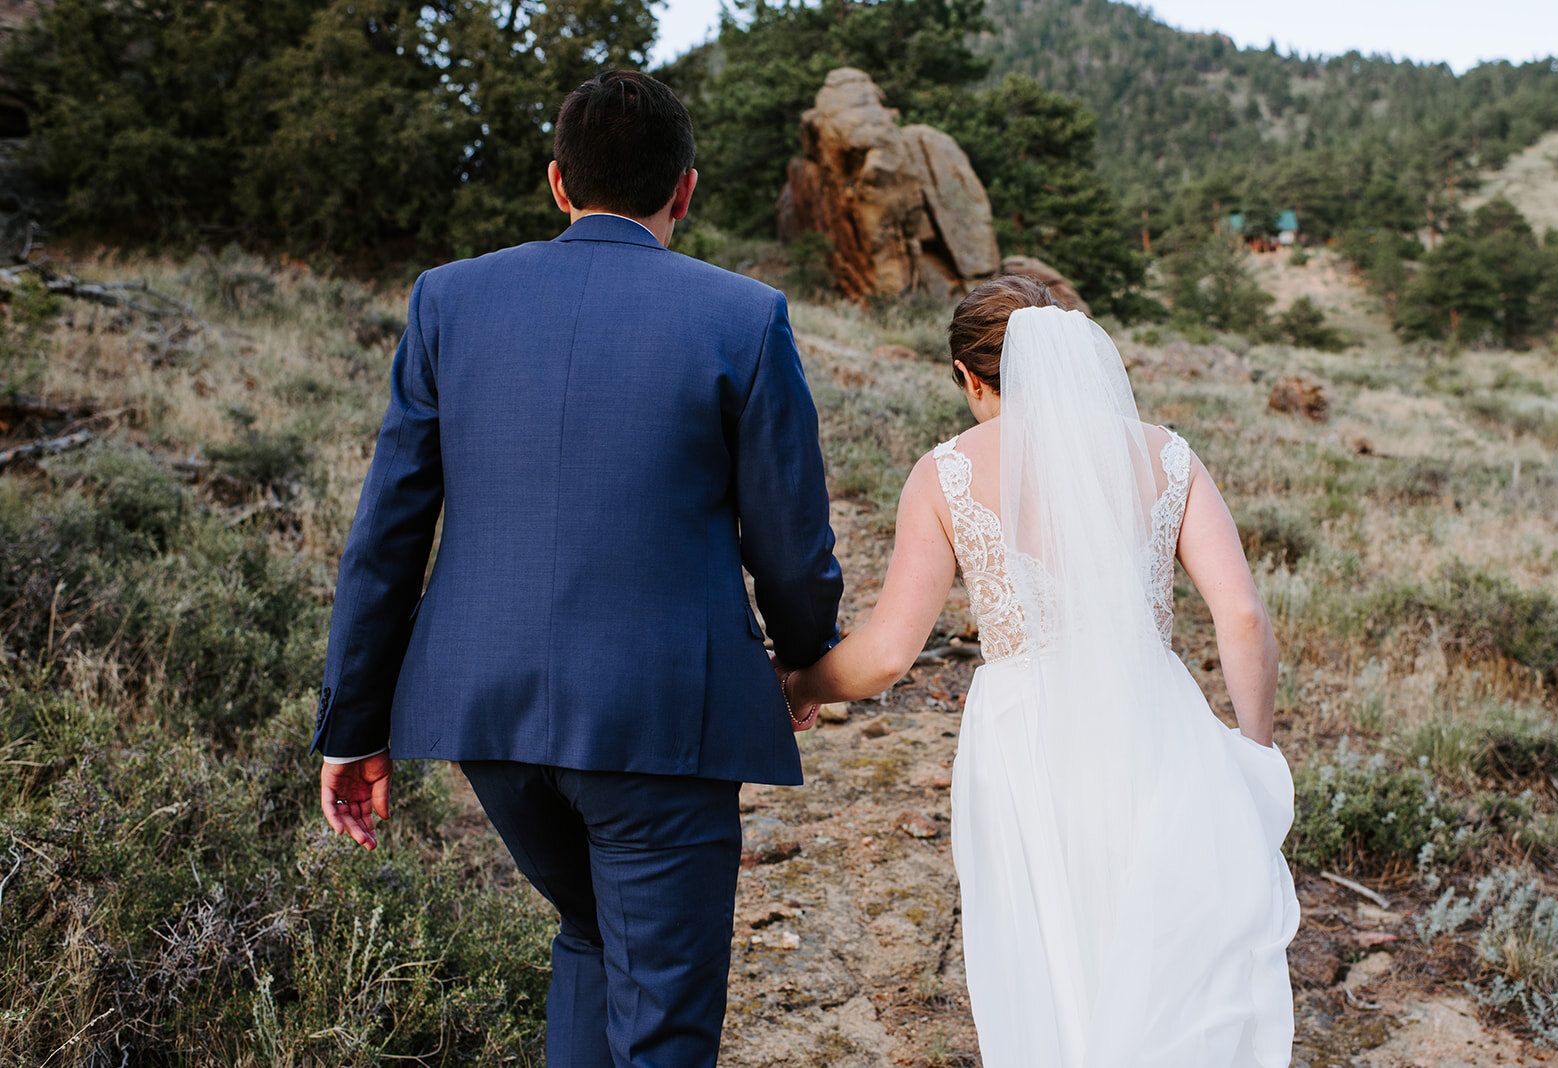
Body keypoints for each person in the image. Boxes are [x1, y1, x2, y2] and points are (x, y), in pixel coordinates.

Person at [312, 70, 842, 1068]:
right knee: (664, 1022)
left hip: (491, 725)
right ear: (684, 190)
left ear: (558, 184)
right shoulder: (744, 316)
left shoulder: (447, 301)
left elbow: (386, 531)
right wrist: (806, 657)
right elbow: (790, 539)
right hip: (660, 725)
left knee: (592, 939)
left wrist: (351, 726)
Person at [784, 277, 1300, 1067]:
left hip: (1025, 738)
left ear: (971, 377)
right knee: (1164, 952)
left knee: (1050, 957)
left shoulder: (946, 473)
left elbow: (889, 652)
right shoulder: (1164, 454)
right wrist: (1256, 752)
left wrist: (801, 687)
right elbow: (1242, 618)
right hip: (1156, 720)